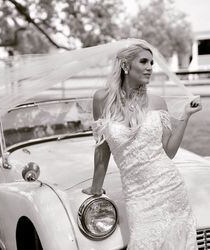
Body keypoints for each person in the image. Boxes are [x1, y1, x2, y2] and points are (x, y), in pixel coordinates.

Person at [82, 39, 202, 249]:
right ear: (126, 66)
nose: (149, 68)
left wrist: (185, 116)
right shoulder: (101, 99)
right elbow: (102, 147)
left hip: (170, 187)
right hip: (137, 195)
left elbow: (169, 151)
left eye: (151, 63)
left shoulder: (157, 102)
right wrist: (96, 187)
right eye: (144, 61)